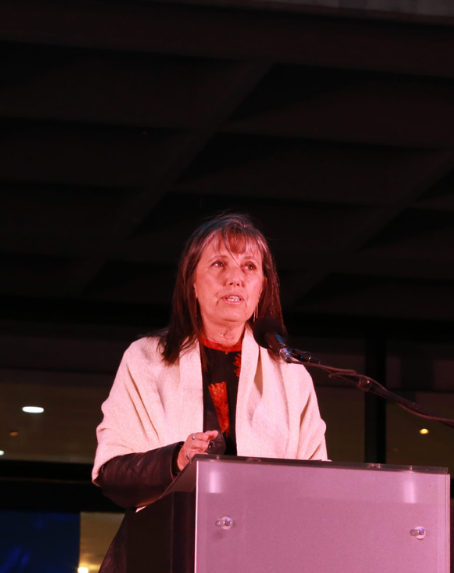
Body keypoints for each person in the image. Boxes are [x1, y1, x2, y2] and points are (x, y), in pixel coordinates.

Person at [91, 213, 328, 572]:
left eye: (249, 266)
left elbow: (318, 489)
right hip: (166, 554)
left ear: (262, 286)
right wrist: (176, 460)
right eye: (219, 264)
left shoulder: (292, 376)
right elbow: (113, 476)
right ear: (192, 282)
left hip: (261, 557)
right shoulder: (146, 359)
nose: (235, 277)